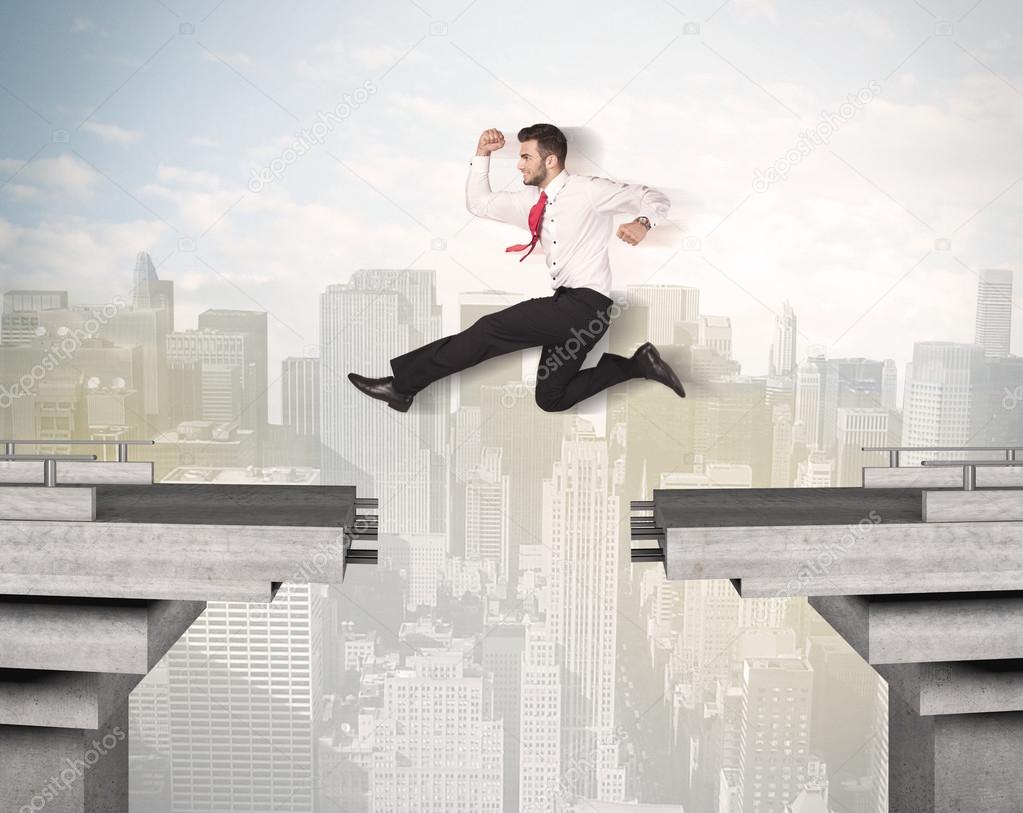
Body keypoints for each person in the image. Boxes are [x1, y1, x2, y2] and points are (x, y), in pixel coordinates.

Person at [348, 123, 686, 413]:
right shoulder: (531, 203)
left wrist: (643, 222)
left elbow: (655, 198)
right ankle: (638, 364)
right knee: (551, 398)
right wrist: (482, 153)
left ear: (550, 160)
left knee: (487, 331)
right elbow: (480, 204)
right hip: (582, 316)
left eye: (526, 157)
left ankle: (402, 386)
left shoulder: (589, 191)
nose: (520, 166)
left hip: (583, 305)